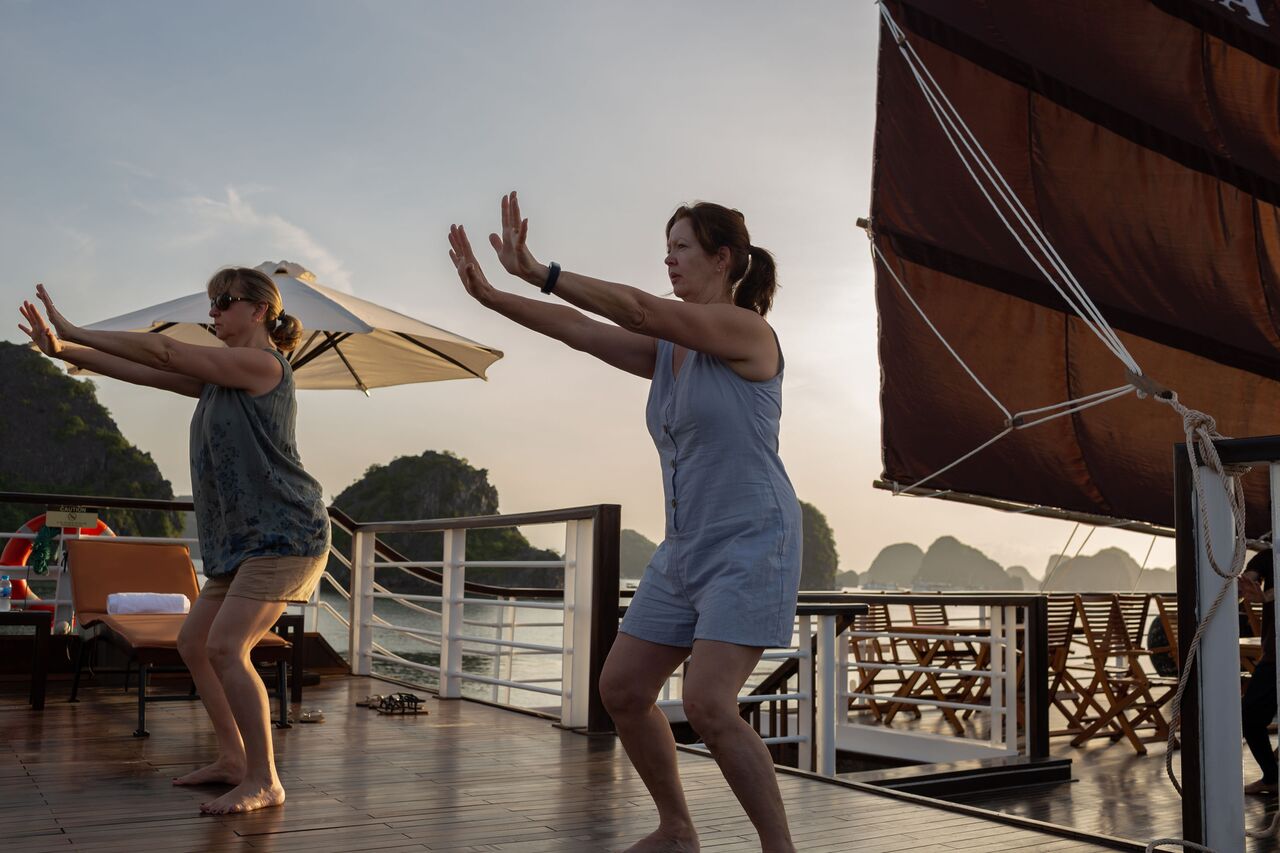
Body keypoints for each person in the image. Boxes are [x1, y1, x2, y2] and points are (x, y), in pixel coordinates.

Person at [447, 192, 802, 852]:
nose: (669, 258)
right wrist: (494, 297)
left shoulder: (746, 332)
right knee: (623, 687)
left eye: (683, 247)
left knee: (710, 703)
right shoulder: (667, 349)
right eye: (665, 248)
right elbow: (583, 331)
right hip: (684, 546)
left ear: (724, 259)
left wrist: (539, 271)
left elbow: (637, 307)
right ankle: (677, 829)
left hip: (753, 540)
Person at [17, 270, 331, 815]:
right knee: (194, 644)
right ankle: (233, 760)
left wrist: (77, 327)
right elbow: (143, 371)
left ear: (259, 310)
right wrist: (62, 348)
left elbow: (163, 351)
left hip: (285, 534)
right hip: (240, 541)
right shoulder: (218, 381)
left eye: (223, 303)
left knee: (226, 649)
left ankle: (265, 779)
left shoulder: (263, 367)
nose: (213, 314)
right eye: (211, 304)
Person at [1240, 549, 1277, 796]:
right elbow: (1247, 580)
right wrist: (1245, 587)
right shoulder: (1268, 556)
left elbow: (1265, 595)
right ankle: (1272, 777)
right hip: (1274, 654)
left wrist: (1267, 596)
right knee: (1250, 717)